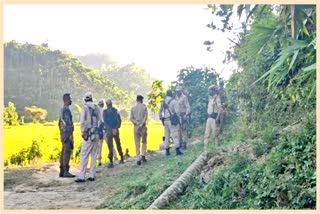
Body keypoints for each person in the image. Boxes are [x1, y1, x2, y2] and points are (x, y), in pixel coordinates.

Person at [75, 92, 102, 183]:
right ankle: (92, 175)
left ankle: (82, 176)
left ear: (85, 99)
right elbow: (101, 121)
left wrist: (83, 132)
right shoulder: (97, 107)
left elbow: (82, 122)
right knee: (94, 155)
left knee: (84, 154)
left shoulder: (85, 107)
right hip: (96, 133)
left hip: (89, 134)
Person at [158, 89, 183, 156]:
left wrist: (161, 119)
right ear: (171, 94)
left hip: (165, 120)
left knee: (166, 136)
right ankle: (177, 150)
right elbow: (177, 112)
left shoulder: (163, 102)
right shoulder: (174, 102)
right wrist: (179, 120)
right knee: (175, 135)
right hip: (172, 120)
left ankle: (167, 151)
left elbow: (160, 112)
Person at [58, 93, 75, 178]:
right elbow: (68, 124)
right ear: (66, 100)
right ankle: (65, 171)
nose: (71, 100)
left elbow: (60, 124)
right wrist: (70, 135)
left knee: (64, 151)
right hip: (67, 134)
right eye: (69, 99)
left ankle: (62, 170)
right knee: (67, 152)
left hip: (63, 134)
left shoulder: (62, 110)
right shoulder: (66, 111)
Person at [103, 99, 124, 168]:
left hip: (109, 131)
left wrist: (111, 129)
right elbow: (119, 121)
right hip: (115, 130)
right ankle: (121, 158)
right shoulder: (115, 111)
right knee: (117, 144)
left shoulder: (105, 112)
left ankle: (111, 161)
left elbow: (105, 123)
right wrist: (116, 128)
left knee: (110, 146)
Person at [130, 95, 148, 165]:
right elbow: (145, 117)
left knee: (137, 143)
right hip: (142, 126)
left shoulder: (133, 108)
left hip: (136, 126)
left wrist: (136, 123)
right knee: (144, 141)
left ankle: (138, 157)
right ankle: (143, 155)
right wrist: (142, 123)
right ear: (141, 100)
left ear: (136, 100)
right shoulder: (144, 107)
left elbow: (131, 118)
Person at [204, 85, 222, 151]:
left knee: (215, 134)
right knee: (207, 134)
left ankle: (217, 148)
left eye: (210, 90)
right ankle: (205, 149)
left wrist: (218, 117)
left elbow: (220, 109)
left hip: (214, 118)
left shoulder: (217, 98)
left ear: (214, 91)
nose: (209, 92)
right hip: (209, 118)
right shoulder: (210, 98)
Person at [175, 86, 191, 150]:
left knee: (184, 130)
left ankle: (185, 144)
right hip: (178, 116)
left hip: (183, 114)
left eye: (179, 91)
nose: (178, 92)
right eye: (177, 91)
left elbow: (188, 107)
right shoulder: (176, 97)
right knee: (178, 130)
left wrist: (186, 115)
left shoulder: (184, 97)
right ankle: (180, 144)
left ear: (180, 91)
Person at [96, 99, 105, 166]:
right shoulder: (104, 111)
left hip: (99, 130)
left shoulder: (96, 111)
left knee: (99, 146)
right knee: (110, 144)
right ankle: (115, 156)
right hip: (105, 129)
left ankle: (99, 160)